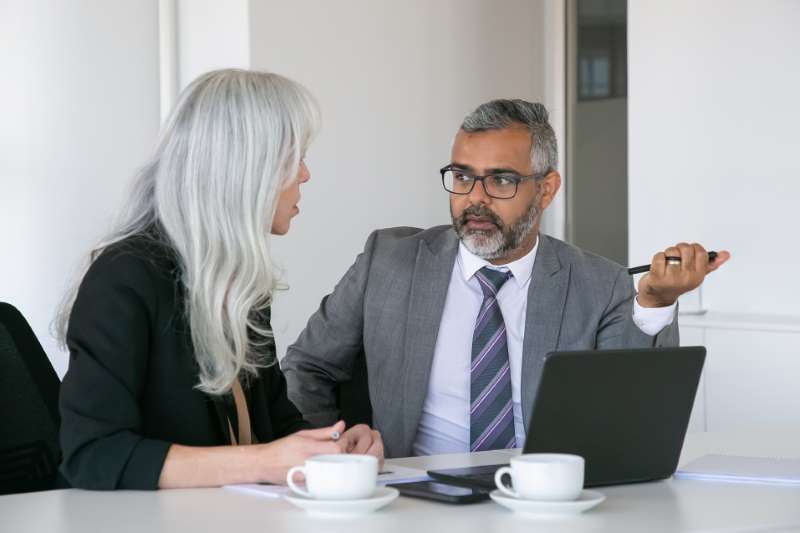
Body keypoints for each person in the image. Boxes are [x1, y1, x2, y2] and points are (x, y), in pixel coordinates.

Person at [281, 99, 730, 458]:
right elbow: (308, 368)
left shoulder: (600, 284)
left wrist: (652, 303)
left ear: (547, 189)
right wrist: (330, 455)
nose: (474, 199)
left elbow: (631, 418)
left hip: (545, 503)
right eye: (461, 177)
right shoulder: (390, 261)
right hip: (412, 501)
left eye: (500, 181)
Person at [56, 69, 383, 490]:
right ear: (247, 168)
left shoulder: (241, 282)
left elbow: (273, 420)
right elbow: (94, 454)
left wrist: (331, 449)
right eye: (295, 156)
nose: (305, 175)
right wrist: (263, 462)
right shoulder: (124, 279)